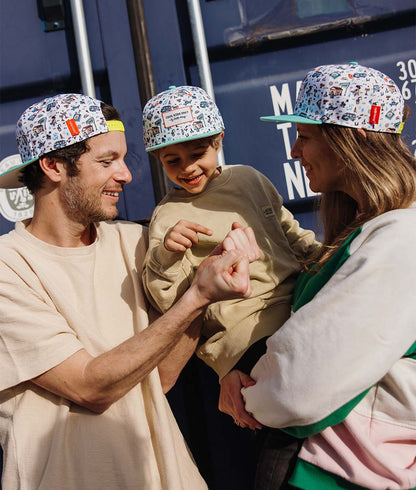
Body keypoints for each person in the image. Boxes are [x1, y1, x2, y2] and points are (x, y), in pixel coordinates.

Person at [0, 93, 260, 490]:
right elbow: (90, 387)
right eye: (106, 162)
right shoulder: (9, 266)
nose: (126, 175)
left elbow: (161, 378)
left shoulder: (140, 244)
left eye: (122, 159)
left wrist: (211, 299)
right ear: (52, 166)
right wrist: (196, 297)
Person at [220, 62, 416, 489]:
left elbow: (297, 385)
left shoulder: (403, 236)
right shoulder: (370, 228)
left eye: (305, 137)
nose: (294, 152)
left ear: (354, 140)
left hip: (350, 477)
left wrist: (251, 394)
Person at [141, 85, 318, 388]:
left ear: (219, 140)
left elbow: (290, 233)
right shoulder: (168, 218)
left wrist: (325, 259)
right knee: (298, 386)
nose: (188, 167)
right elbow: (164, 297)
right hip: (241, 334)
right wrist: (167, 253)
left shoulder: (250, 179)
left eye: (197, 154)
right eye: (173, 161)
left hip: (299, 304)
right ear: (158, 157)